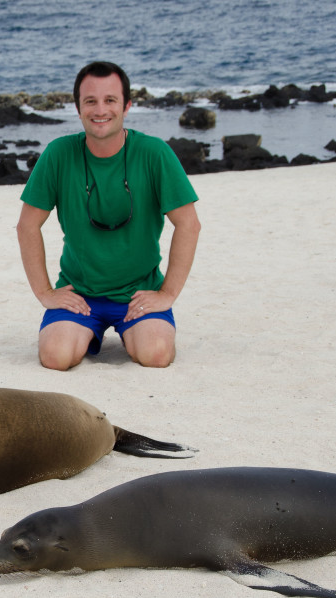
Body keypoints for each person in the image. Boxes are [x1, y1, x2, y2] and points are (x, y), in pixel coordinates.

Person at [16, 61, 201, 370]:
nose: (100, 109)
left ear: (126, 106)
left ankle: (134, 330)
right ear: (78, 108)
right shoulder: (59, 154)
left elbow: (189, 224)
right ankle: (86, 331)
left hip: (139, 294)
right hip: (80, 293)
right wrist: (45, 293)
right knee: (56, 357)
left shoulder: (154, 153)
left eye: (110, 100)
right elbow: (27, 226)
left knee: (156, 355)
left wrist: (167, 293)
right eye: (90, 101)